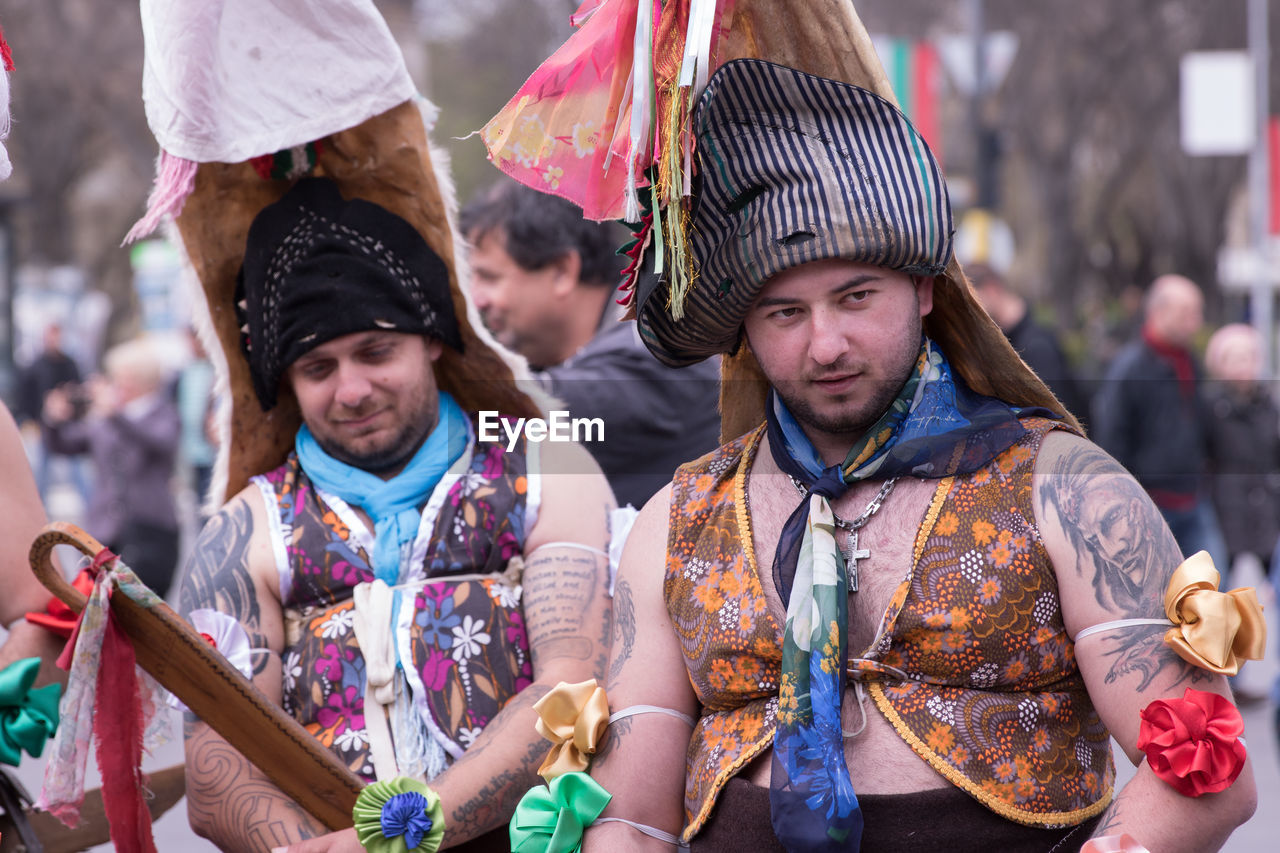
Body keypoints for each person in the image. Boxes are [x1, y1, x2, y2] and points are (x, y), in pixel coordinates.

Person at [573, 62, 1255, 851]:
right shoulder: (682, 520)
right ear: (743, 333)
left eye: (857, 297)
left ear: (926, 290)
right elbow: (628, 817)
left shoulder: (1064, 489)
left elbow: (1210, 772)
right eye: (785, 312)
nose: (825, 344)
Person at [177, 177, 614, 851]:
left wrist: (403, 833)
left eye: (376, 352)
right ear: (286, 382)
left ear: (432, 338)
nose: (351, 389)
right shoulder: (243, 532)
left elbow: (571, 686)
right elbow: (216, 771)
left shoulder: (547, 467)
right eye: (318, 367)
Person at [461, 180, 721, 508]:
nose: (476, 299)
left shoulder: (655, 353)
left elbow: (520, 409)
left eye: (489, 277)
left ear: (562, 271)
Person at [1092, 275, 1228, 570]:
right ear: (1159, 312)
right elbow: (1113, 437)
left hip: (1193, 498)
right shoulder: (1130, 367)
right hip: (1150, 505)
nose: (1196, 323)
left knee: (1213, 588)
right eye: (1187, 314)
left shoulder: (1189, 360)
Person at [43, 337, 181, 596]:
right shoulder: (105, 418)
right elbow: (65, 444)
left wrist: (116, 415)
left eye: (122, 377)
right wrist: (54, 420)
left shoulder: (163, 414)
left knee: (147, 613)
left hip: (151, 530)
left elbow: (160, 443)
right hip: (105, 530)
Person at [970, 261, 1087, 419]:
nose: (970, 312)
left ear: (991, 289)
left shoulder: (1037, 345)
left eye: (972, 301)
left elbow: (1058, 414)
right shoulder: (1004, 342)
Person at [15, 322, 90, 505]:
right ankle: (37, 508)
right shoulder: (35, 366)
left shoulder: (69, 364)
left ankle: (91, 505)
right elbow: (25, 395)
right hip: (44, 423)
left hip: (69, 423)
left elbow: (80, 390)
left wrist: (68, 402)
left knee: (77, 469)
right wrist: (31, 419)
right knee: (41, 469)